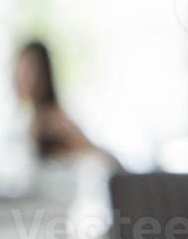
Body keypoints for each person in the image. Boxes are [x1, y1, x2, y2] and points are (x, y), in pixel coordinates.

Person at [14, 39, 115, 168]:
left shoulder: (55, 122)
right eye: (21, 70)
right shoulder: (20, 122)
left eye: (30, 70)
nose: (24, 78)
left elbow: (104, 158)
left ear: (44, 74)